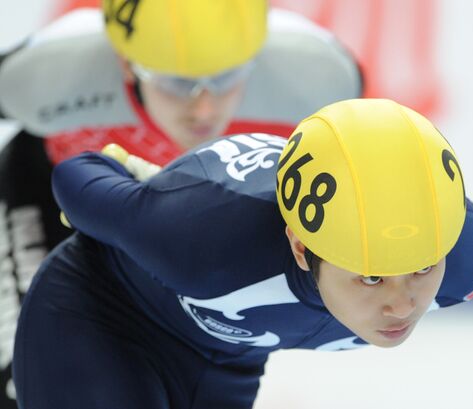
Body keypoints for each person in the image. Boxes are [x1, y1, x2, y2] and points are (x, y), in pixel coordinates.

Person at [13, 98, 473, 409]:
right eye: (371, 278)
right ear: (301, 248)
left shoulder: (467, 259)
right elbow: (76, 173)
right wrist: (140, 192)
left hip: (226, 362)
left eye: (421, 268)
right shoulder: (207, 241)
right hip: (103, 319)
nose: (402, 305)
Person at [0, 2, 362, 405]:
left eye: (226, 78)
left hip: (167, 217)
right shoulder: (43, 73)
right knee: (23, 374)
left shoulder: (317, 74)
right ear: (125, 64)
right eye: (175, 82)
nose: (203, 108)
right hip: (51, 189)